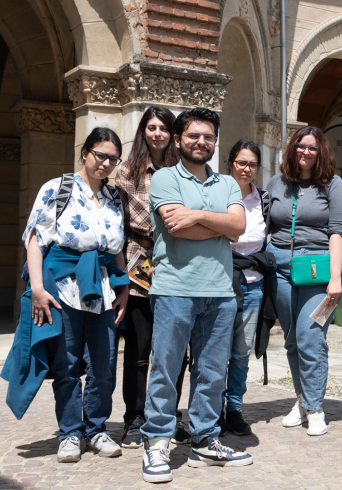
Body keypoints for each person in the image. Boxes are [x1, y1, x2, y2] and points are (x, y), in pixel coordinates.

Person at [3, 127, 129, 463]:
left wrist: (124, 289)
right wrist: (38, 288)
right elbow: (34, 239)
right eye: (100, 155)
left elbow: (118, 249)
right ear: (85, 152)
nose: (105, 163)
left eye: (112, 158)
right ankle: (71, 432)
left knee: (104, 365)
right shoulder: (57, 189)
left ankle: (96, 428)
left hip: (102, 289)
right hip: (62, 290)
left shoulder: (115, 198)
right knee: (68, 364)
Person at [140, 108, 252, 483]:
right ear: (178, 140)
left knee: (211, 373)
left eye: (208, 136)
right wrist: (216, 223)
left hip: (220, 290)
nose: (201, 142)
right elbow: (176, 228)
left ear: (215, 141)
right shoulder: (164, 179)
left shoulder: (227, 183)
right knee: (165, 370)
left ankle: (205, 441)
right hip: (175, 289)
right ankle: (157, 442)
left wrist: (198, 216)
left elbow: (239, 226)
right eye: (193, 136)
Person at [114, 106, 193, 448]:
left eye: (164, 127)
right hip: (139, 267)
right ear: (144, 131)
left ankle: (167, 415)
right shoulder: (126, 172)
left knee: (176, 350)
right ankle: (134, 417)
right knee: (139, 349)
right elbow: (118, 226)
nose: (158, 133)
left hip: (177, 266)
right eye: (152, 127)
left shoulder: (183, 171)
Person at [266, 126, 342, 436]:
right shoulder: (277, 183)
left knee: (310, 336)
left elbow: (338, 232)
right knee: (291, 339)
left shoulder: (333, 184)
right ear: (292, 148)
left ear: (321, 152)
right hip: (282, 269)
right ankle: (302, 399)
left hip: (319, 269)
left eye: (312, 147)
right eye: (301, 145)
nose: (306, 151)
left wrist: (336, 280)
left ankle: (315, 408)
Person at [217, 138, 275, 436]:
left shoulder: (263, 199)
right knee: (214, 349)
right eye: (241, 162)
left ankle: (234, 408)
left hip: (253, 283)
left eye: (252, 164)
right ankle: (212, 408)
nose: (247, 169)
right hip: (221, 282)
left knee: (240, 352)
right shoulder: (217, 194)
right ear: (230, 164)